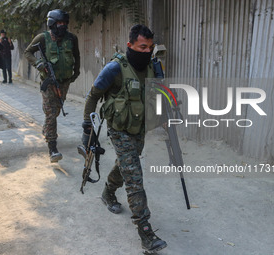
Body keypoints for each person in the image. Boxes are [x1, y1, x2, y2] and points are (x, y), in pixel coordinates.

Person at [82, 24, 167, 253]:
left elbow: (160, 94)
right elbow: (93, 97)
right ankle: (145, 231)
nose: (147, 51)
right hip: (119, 130)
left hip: (139, 128)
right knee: (134, 176)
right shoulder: (114, 68)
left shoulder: (153, 66)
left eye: (150, 47)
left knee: (125, 165)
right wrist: (86, 127)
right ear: (129, 45)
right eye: (142, 47)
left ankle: (108, 191)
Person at [24, 9, 80, 163]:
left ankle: (47, 129)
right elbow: (28, 52)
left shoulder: (72, 38)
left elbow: (77, 55)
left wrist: (76, 72)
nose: (62, 26)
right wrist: (38, 64)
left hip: (64, 81)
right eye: (59, 23)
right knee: (51, 113)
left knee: (56, 111)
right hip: (48, 81)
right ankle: (53, 148)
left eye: (64, 23)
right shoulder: (43, 38)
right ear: (52, 23)